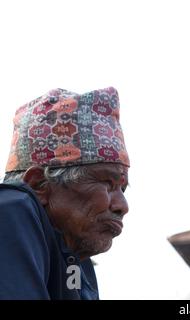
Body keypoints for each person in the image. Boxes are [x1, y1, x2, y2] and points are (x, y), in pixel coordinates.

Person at [0, 87, 130, 299]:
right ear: (39, 184)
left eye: (122, 189)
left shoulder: (77, 264)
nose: (122, 206)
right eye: (107, 183)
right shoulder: (10, 211)